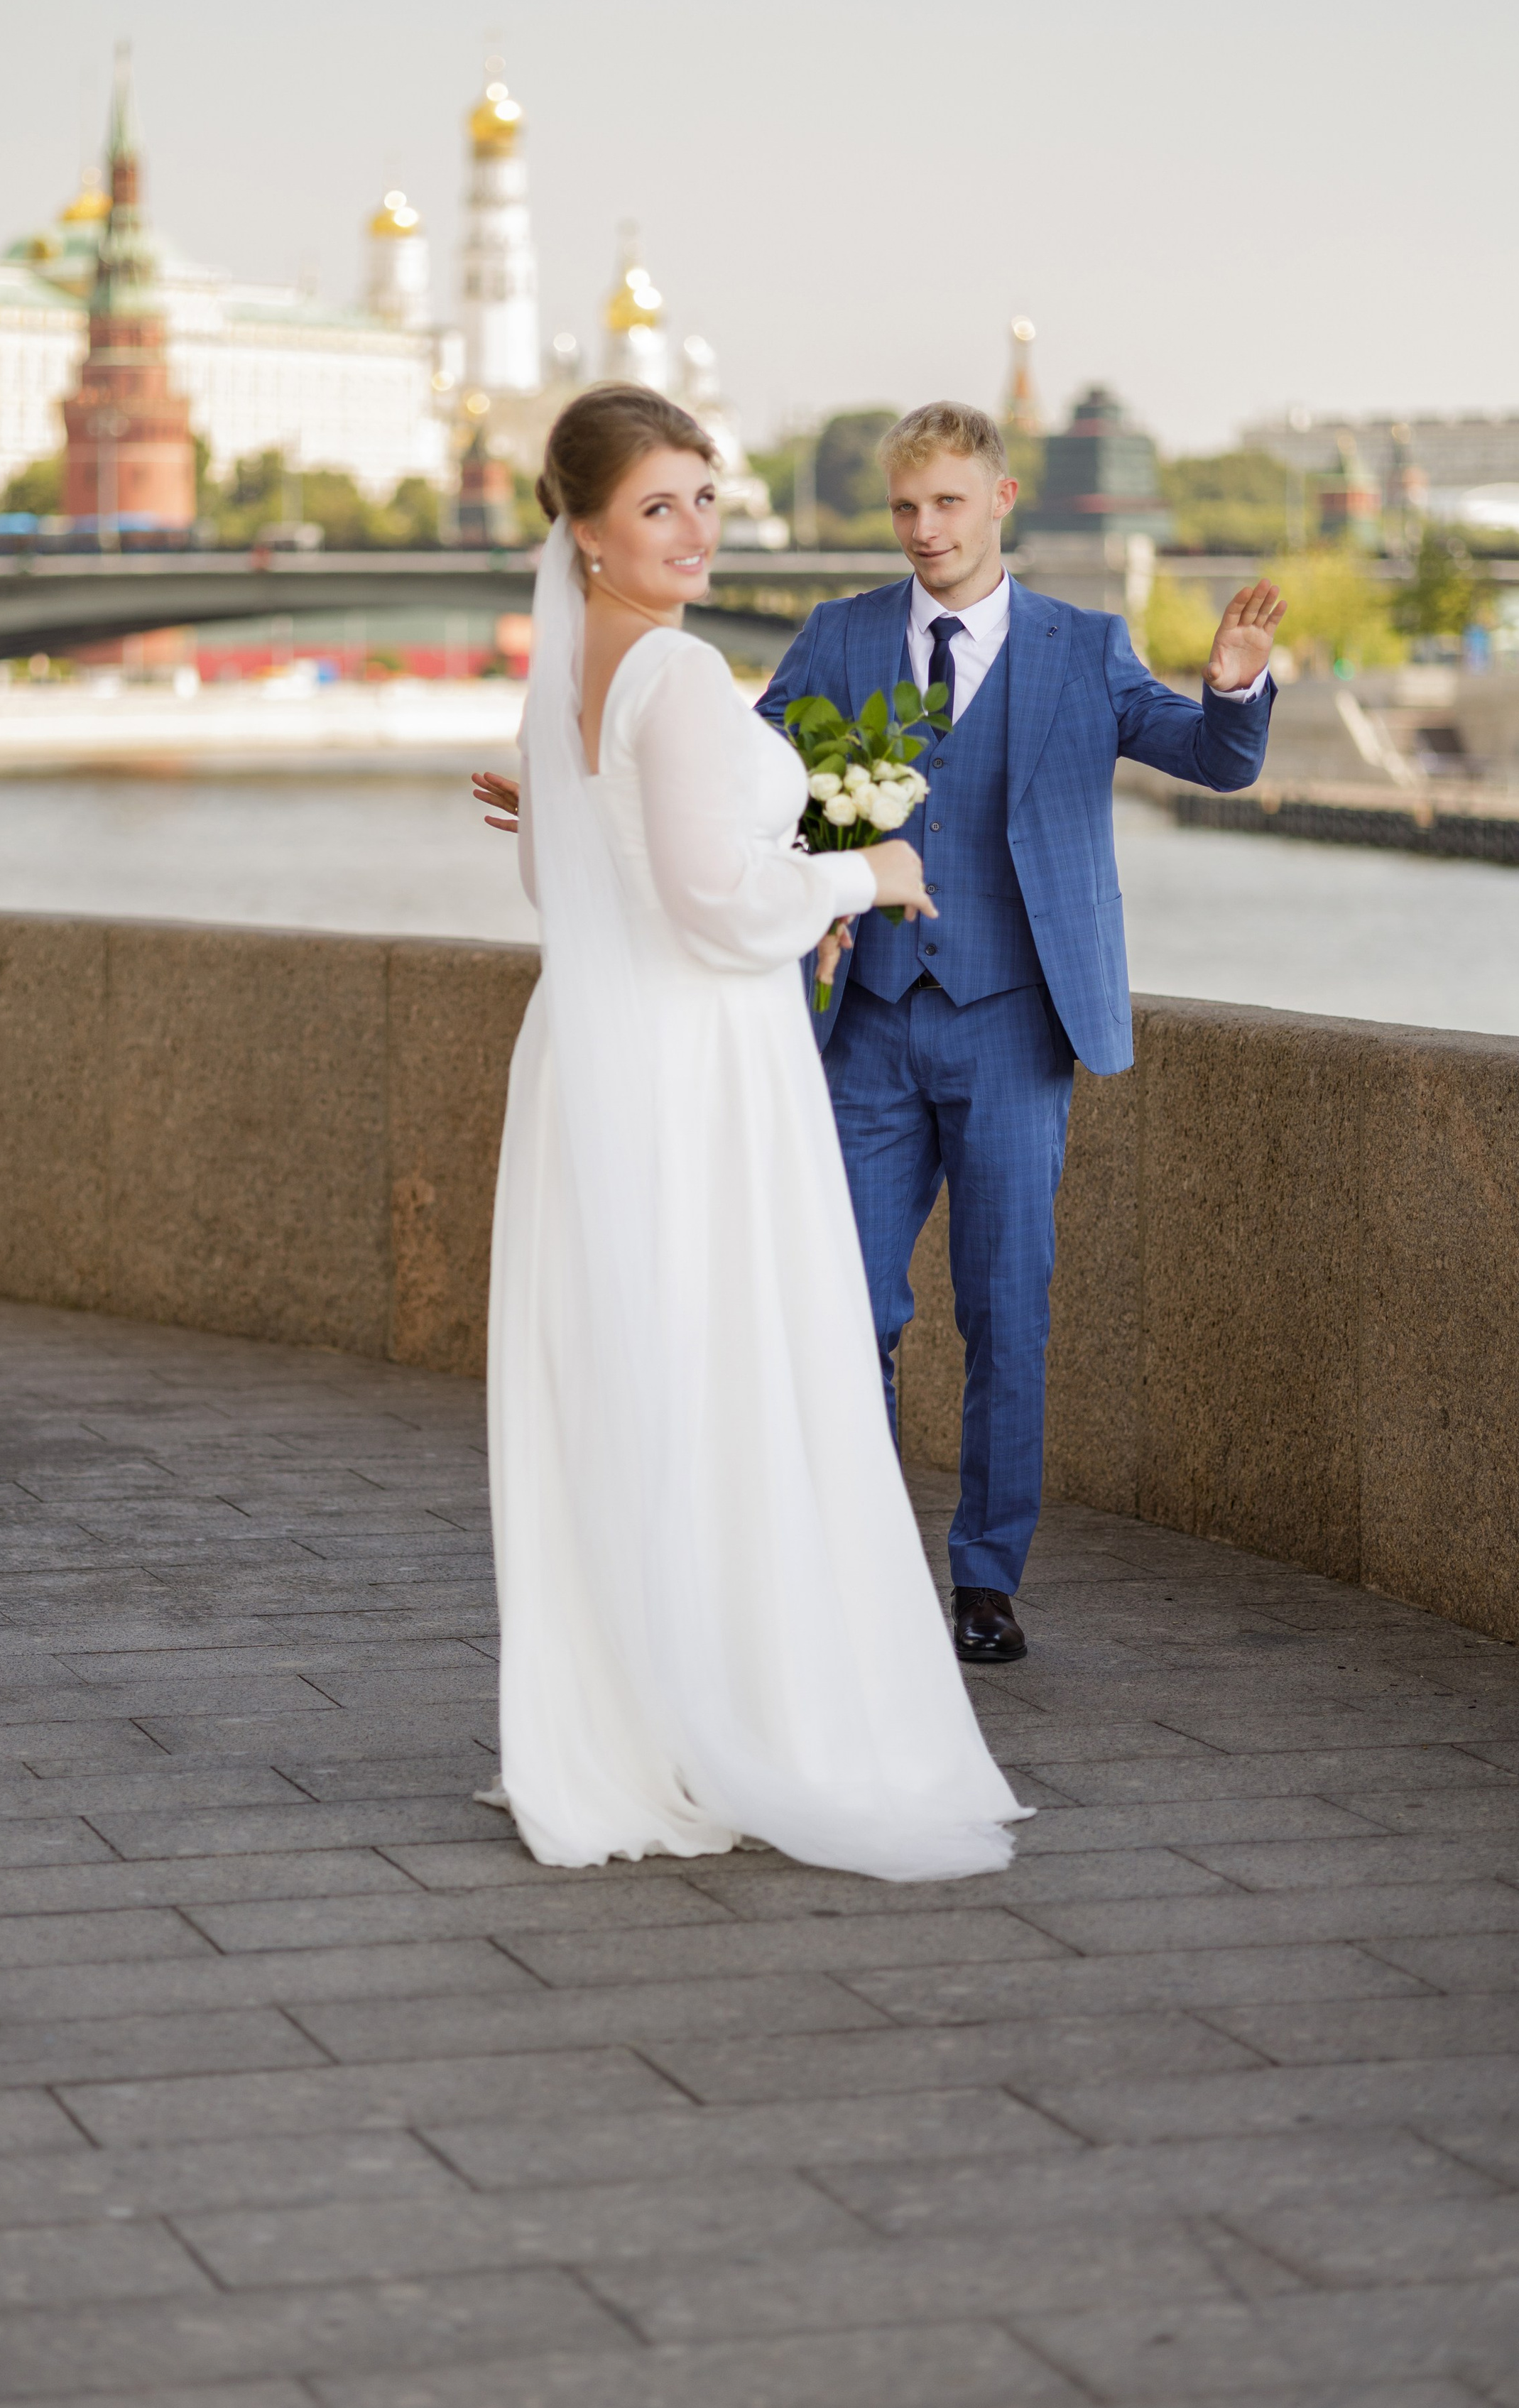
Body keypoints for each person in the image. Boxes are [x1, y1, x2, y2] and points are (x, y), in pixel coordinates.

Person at [472, 383, 1025, 1880]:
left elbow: (579, 886)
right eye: (657, 506)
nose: (694, 529)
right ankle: (737, 1707)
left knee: (633, 1373)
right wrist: (871, 871)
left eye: (704, 497)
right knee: (726, 1364)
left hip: (593, 1050)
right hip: (699, 1060)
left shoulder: (568, 673)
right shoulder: (670, 671)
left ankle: (630, 1713)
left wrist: (753, 852)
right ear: (584, 531)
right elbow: (720, 907)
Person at [758, 402, 1285, 1667]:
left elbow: (1213, 762)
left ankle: (986, 1579)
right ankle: (869, 1559)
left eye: (947, 503)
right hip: (867, 1025)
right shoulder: (836, 638)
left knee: (1007, 1314)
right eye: (904, 508)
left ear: (1000, 501)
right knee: (847, 1304)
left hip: (1015, 1026)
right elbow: (751, 775)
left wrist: (1231, 687)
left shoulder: (1085, 646)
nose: (924, 530)